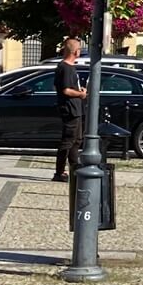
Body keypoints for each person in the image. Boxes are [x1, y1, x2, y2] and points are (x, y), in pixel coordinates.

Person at [53, 38, 88, 182]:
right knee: (68, 141)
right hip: (70, 109)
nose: (80, 51)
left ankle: (74, 169)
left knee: (76, 140)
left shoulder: (70, 67)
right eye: (79, 48)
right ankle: (59, 172)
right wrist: (81, 94)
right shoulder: (65, 68)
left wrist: (80, 91)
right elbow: (66, 90)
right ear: (75, 51)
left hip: (77, 108)